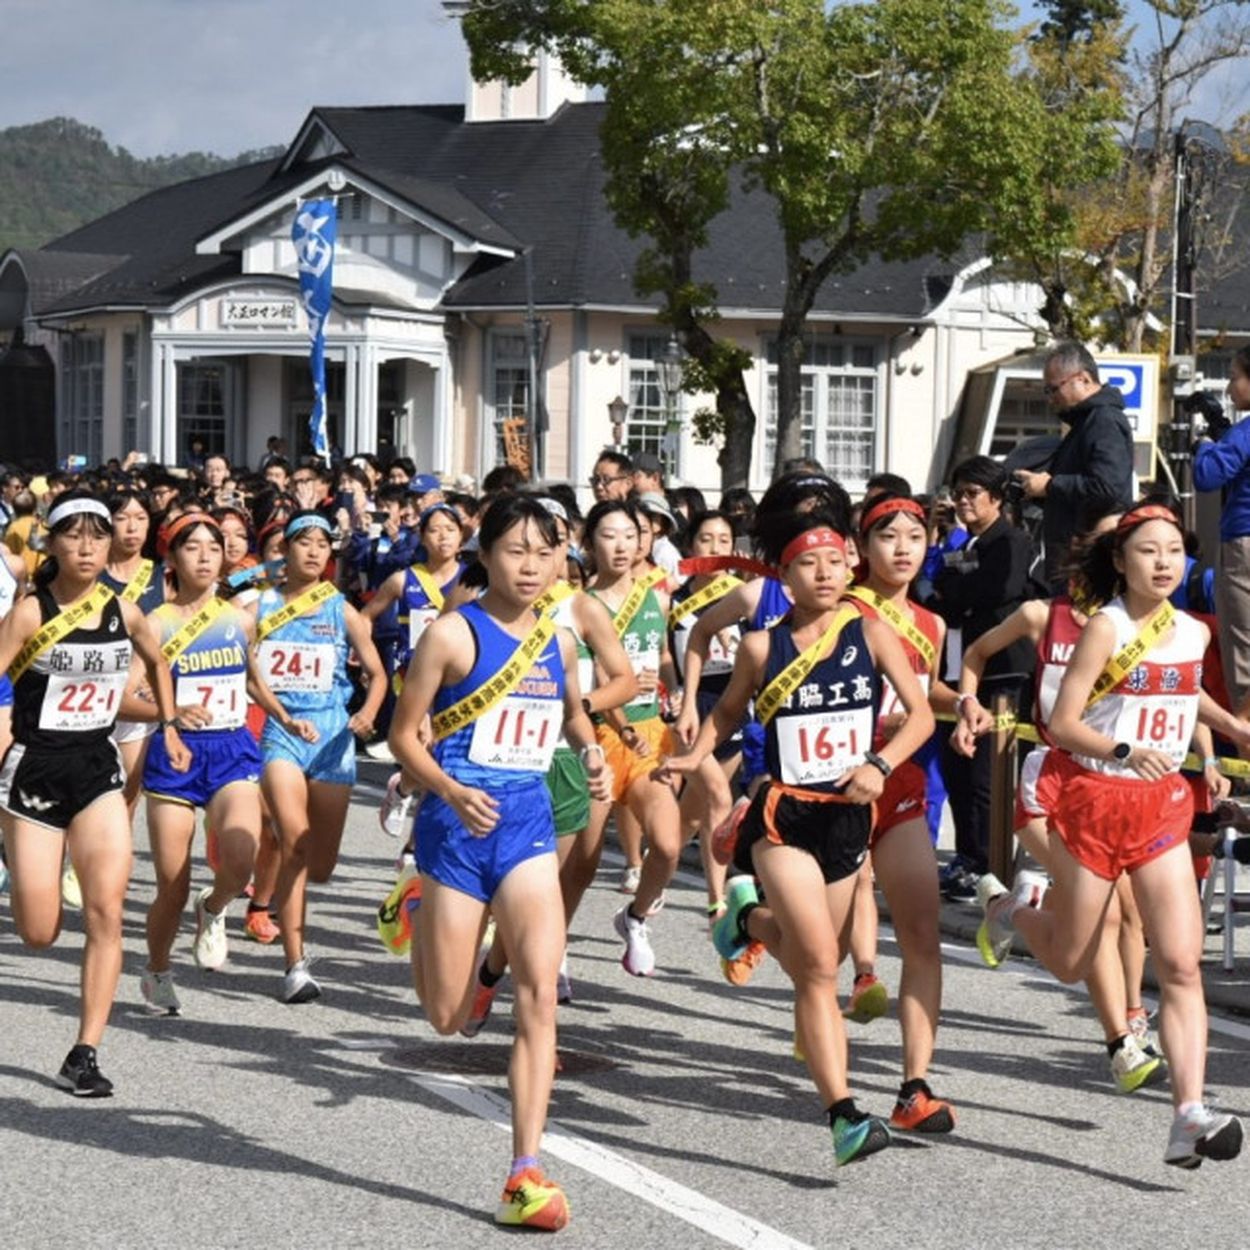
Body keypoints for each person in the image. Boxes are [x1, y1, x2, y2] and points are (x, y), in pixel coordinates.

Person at [977, 499, 1250, 1167]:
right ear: (1122, 562)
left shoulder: (1194, 632)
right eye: (1148, 551)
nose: (1164, 562)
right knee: (1072, 960)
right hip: (1094, 800)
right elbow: (1063, 724)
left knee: (1181, 963)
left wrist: (1232, 732)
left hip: (1159, 811)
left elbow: (1182, 695)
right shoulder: (1105, 625)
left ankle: (1188, 1112)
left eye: (1174, 551)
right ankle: (1011, 906)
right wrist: (1124, 750)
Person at [658, 509, 934, 1166]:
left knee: (825, 957)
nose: (826, 573)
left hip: (848, 820)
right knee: (814, 967)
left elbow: (920, 716)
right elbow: (725, 717)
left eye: (837, 561)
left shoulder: (869, 632)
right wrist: (694, 757)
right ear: (784, 576)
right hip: (784, 817)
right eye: (810, 564)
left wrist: (880, 765)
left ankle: (747, 921)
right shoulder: (760, 647)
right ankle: (843, 1114)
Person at [388, 493, 612, 1230]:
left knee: (539, 994)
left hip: (526, 826)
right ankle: (416, 905)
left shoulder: (562, 637)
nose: (532, 565)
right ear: (486, 554)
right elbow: (403, 735)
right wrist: (448, 789)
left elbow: (574, 714)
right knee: (449, 1018)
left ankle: (525, 1170)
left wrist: (590, 754)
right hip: (455, 830)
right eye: (517, 550)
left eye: (547, 553)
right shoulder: (453, 634)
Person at [953, 502, 1169, 1094]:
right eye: (1126, 545)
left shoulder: (1142, 626)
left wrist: (1215, 735)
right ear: (1107, 558)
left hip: (1110, 791)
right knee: (1108, 909)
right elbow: (973, 656)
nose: (1143, 556)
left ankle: (1128, 1018)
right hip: (1048, 785)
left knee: (1125, 911)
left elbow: (1175, 696)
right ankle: (1121, 1043)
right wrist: (968, 703)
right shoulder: (1039, 615)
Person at [0, 491, 190, 1096]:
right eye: (74, 536)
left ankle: (85, 1052)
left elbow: (158, 661)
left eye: (98, 535)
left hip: (96, 769)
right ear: (52, 543)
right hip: (34, 769)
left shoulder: (125, 610)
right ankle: (22, 855)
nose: (87, 547)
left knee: (108, 910)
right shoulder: (32, 611)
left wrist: (170, 724)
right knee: (39, 931)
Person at [134, 513, 315, 1014]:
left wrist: (285, 716)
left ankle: (214, 909)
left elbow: (252, 679)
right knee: (172, 882)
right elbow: (127, 695)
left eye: (214, 547)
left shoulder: (239, 619)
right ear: (170, 558)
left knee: (241, 855)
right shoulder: (155, 624)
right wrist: (167, 713)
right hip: (175, 755)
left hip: (231, 749)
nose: (206, 556)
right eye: (192, 548)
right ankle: (157, 970)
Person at [841, 493, 957, 1131]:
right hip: (833, 784)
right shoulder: (838, 610)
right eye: (889, 536)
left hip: (901, 780)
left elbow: (921, 691)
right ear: (863, 547)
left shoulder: (931, 625)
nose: (904, 547)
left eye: (916, 535)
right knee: (816, 941)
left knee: (922, 931)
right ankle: (749, 916)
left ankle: (914, 1087)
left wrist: (959, 702)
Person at [253, 512, 386, 1003]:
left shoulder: (342, 610)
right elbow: (247, 671)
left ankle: (226, 907)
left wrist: (369, 712)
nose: (313, 552)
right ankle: (295, 963)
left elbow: (377, 674)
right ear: (283, 550)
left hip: (333, 738)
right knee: (296, 843)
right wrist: (282, 714)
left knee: (322, 865)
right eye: (303, 542)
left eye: (322, 544)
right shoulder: (261, 606)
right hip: (283, 734)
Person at [581, 499, 684, 974]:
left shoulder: (657, 596)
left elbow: (662, 652)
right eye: (610, 535)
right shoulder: (579, 605)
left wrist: (677, 687)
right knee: (579, 863)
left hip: (648, 737)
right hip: (592, 738)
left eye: (631, 534)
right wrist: (619, 709)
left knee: (666, 846)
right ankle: (551, 950)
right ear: (589, 541)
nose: (622, 545)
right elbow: (595, 677)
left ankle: (636, 917)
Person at [929, 456, 1039, 899]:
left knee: (985, 774)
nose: (962, 502)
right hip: (959, 671)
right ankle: (969, 857)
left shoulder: (1011, 541)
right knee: (957, 766)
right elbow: (944, 594)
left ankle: (988, 865)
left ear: (996, 497)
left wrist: (953, 593)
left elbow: (999, 591)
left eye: (972, 493)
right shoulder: (966, 543)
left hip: (1003, 671)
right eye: (958, 494)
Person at [1013, 340, 1134, 586]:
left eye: (1053, 389)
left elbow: (1107, 488)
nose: (1050, 399)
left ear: (1084, 379)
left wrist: (1050, 486)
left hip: (1089, 564)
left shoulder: (1103, 421)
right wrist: (1036, 490)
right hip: (1075, 560)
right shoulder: (1086, 422)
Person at [1193, 345, 1250, 713]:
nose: (1229, 389)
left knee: (1244, 650)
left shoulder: (1245, 432)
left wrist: (1205, 445)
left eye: (1234, 378)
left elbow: (1208, 475)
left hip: (1244, 545)